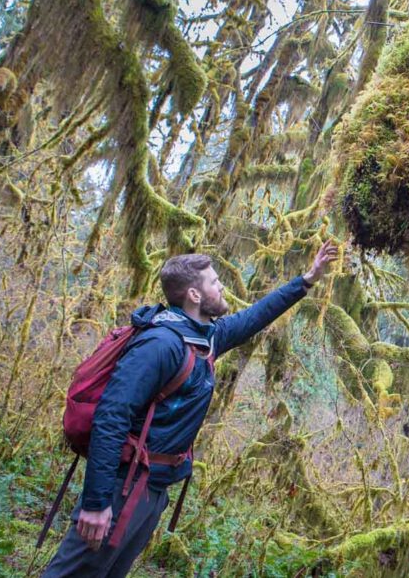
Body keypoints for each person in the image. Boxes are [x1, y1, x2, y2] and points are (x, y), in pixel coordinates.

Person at [42, 241, 339, 577]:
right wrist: (96, 504)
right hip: (121, 486)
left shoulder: (203, 338)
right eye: (214, 282)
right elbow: (111, 417)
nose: (222, 285)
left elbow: (253, 318)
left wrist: (307, 280)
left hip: (151, 490)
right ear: (194, 295)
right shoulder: (161, 344)